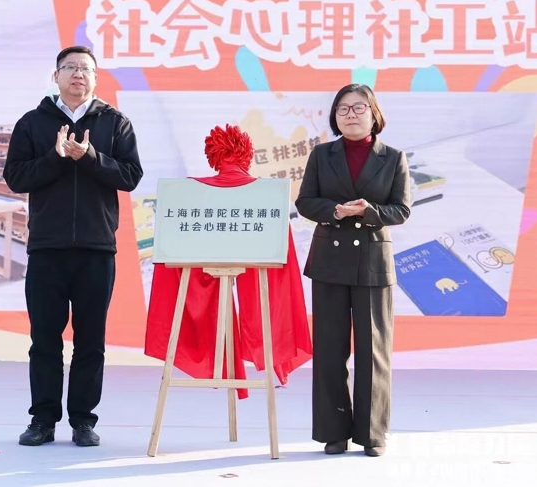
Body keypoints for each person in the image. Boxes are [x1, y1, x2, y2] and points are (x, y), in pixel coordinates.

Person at [3, 45, 143, 447]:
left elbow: (130, 176)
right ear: (56, 76)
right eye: (70, 67)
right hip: (46, 248)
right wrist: (56, 156)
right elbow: (16, 177)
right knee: (44, 340)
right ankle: (42, 421)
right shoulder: (33, 122)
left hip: (97, 249)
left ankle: (83, 420)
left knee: (90, 342)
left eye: (85, 68)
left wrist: (90, 157)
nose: (78, 74)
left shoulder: (115, 122)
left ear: (95, 78)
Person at [144, 124, 312, 397]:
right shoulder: (269, 196)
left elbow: (171, 263)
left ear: (213, 156)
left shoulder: (185, 194)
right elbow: (283, 276)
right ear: (247, 154)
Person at [295, 83, 411, 457]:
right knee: (330, 349)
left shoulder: (393, 157)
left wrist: (369, 211)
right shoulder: (321, 154)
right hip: (329, 260)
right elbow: (305, 202)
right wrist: (334, 210)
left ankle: (372, 434)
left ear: (374, 114)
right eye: (343, 109)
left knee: (373, 350)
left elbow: (401, 210)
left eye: (359, 107)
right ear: (335, 116)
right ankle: (334, 431)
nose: (350, 115)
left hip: (373, 261)